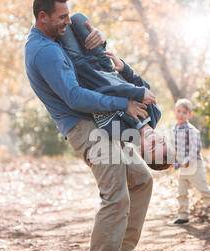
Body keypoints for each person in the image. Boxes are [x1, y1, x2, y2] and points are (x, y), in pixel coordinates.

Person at [25, 0, 152, 251]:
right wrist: (124, 102)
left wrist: (97, 41)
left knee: (142, 179)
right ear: (42, 17)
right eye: (62, 17)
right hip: (82, 127)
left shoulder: (56, 39)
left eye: (68, 15)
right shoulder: (44, 52)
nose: (68, 22)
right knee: (115, 194)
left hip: (100, 121)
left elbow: (91, 66)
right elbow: (74, 97)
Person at [57, 13, 170, 170]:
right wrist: (124, 68)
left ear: (142, 151)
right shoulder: (155, 112)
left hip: (84, 69)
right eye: (160, 142)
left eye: (152, 147)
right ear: (163, 137)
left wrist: (133, 96)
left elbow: (101, 95)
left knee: (61, 27)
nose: (154, 140)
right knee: (77, 19)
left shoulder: (119, 131)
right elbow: (139, 83)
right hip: (103, 61)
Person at [168, 99, 210, 226]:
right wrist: (173, 160)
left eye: (184, 112)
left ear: (189, 115)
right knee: (181, 192)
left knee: (203, 189)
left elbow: (195, 149)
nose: (181, 114)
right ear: (174, 112)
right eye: (178, 111)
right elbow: (175, 148)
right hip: (183, 168)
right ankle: (183, 216)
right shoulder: (173, 130)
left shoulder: (192, 131)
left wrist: (185, 161)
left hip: (194, 165)